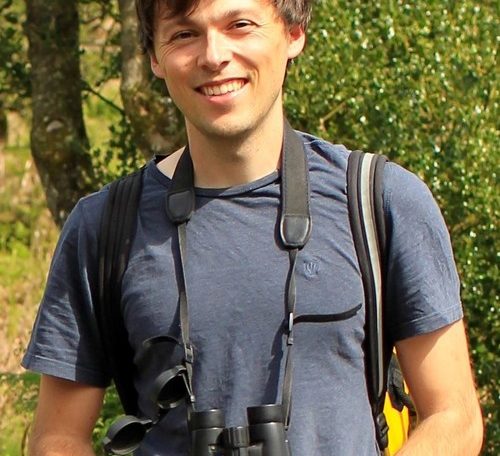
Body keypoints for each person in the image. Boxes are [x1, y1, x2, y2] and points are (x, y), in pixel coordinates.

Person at [23, 0, 483, 454]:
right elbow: (57, 437)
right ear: (154, 57)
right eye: (184, 34)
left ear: (294, 33)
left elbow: (454, 417)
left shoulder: (378, 200)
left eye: (240, 24)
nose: (213, 55)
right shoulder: (103, 226)